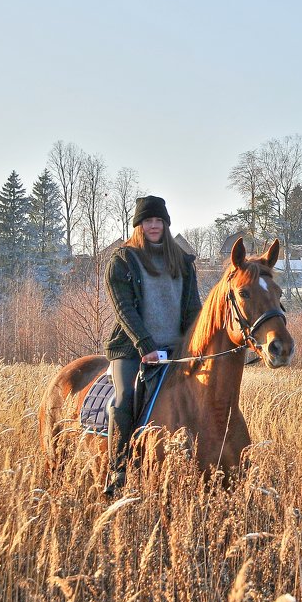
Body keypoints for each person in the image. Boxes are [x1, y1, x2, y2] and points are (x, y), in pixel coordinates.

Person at [103, 195, 202, 496]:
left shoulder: (183, 263)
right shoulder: (123, 261)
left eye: (159, 220)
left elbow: (193, 310)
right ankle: (118, 468)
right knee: (126, 395)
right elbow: (124, 310)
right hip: (133, 349)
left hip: (175, 352)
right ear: (139, 225)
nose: (154, 225)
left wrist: (198, 345)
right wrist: (144, 345)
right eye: (148, 221)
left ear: (166, 224)